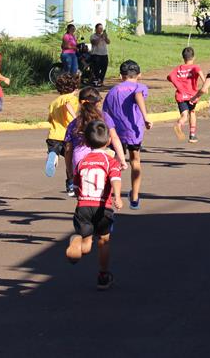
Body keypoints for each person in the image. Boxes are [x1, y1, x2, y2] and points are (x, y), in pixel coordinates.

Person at [65, 120, 123, 291]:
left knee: (86, 243)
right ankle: (103, 276)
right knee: (104, 241)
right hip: (102, 207)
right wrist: (117, 197)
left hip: (83, 206)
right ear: (108, 142)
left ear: (87, 143)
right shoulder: (110, 162)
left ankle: (77, 241)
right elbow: (115, 179)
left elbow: (76, 187)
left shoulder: (81, 162)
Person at [104, 60, 152, 209]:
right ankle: (135, 197)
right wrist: (145, 117)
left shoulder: (112, 92)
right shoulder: (139, 87)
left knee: (114, 163)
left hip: (115, 133)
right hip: (134, 132)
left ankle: (109, 194)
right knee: (135, 161)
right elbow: (138, 95)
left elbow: (105, 114)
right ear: (139, 75)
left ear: (120, 76)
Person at [65, 87, 127, 197]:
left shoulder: (74, 124)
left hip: (79, 160)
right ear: (98, 102)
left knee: (83, 194)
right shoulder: (105, 118)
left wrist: (70, 170)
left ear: (80, 102)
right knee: (104, 193)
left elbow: (68, 150)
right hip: (102, 158)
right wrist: (122, 159)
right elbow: (115, 139)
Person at [45, 73, 80, 183]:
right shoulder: (72, 98)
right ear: (74, 88)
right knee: (69, 161)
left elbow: (50, 119)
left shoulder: (54, 102)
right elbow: (68, 104)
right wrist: (76, 118)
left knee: (55, 152)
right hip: (68, 136)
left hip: (54, 135)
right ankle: (70, 182)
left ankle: (53, 155)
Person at [167, 47, 203, 143]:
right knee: (192, 112)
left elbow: (170, 76)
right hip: (192, 96)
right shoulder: (195, 67)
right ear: (194, 57)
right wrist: (204, 82)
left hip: (180, 95)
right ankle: (192, 135)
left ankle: (179, 124)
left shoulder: (178, 68)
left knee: (184, 115)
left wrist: (178, 85)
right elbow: (199, 71)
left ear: (183, 57)